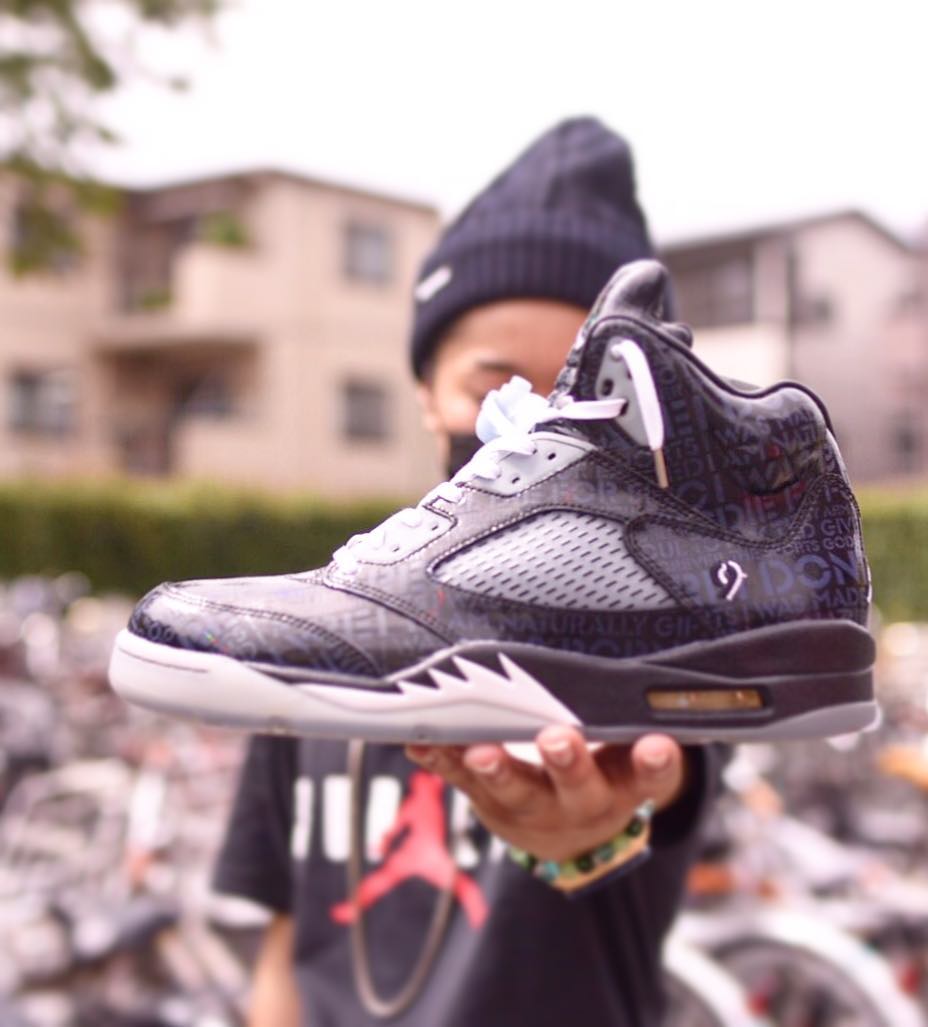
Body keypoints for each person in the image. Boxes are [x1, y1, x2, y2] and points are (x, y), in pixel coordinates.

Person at [213, 117, 721, 1027]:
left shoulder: (659, 622)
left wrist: (605, 820)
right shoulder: (316, 631)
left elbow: (668, 773)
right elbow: (282, 946)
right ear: (424, 391)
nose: (540, 428)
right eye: (496, 390)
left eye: (578, 400)